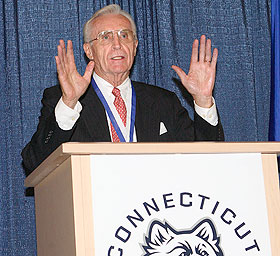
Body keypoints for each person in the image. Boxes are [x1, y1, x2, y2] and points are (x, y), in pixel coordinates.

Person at [21, 4, 224, 175]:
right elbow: (35, 164)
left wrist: (203, 100)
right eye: (105, 37)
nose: (117, 44)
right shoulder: (62, 99)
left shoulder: (163, 101)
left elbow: (207, 162)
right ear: (89, 50)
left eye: (124, 35)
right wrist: (69, 102)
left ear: (135, 46)